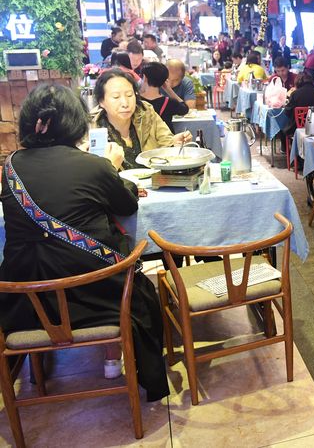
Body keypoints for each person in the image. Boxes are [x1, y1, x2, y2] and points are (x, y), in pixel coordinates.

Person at [0, 84, 169, 401]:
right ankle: (129, 366)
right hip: (98, 299)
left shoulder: (11, 167)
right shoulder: (93, 165)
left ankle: (37, 371)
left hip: (26, 303)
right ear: (76, 122)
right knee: (141, 289)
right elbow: (126, 205)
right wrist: (112, 168)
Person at [91, 69, 191, 171]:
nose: (125, 103)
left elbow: (166, 143)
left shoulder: (146, 112)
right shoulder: (92, 128)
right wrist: (110, 167)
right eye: (116, 97)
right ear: (101, 101)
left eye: (129, 95)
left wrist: (174, 142)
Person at [140, 62, 190, 133]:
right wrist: (169, 90)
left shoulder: (136, 101)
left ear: (144, 77)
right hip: (166, 138)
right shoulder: (169, 102)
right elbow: (185, 109)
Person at [282, 71, 314, 137]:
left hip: (297, 129)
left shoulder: (295, 94)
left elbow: (287, 112)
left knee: (282, 131)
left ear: (297, 82)